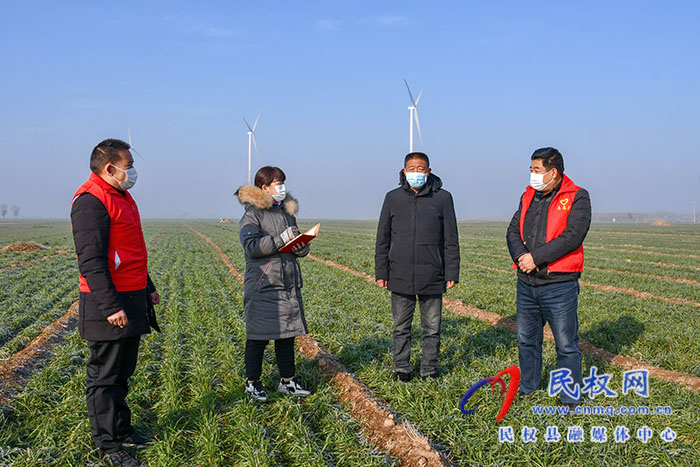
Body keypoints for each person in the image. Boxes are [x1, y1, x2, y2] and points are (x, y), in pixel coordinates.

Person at [71, 139, 160, 467]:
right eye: (129, 164)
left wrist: (148, 287)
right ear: (110, 168)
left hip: (132, 296)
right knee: (104, 377)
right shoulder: (90, 201)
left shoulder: (121, 195)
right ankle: (107, 445)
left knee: (122, 372)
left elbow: (130, 250)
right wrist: (110, 307)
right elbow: (91, 261)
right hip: (108, 304)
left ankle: (122, 431)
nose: (132, 171)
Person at [506, 147, 591, 408]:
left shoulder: (577, 197)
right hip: (527, 282)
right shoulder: (528, 195)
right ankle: (529, 386)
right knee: (526, 340)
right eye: (531, 170)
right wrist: (522, 256)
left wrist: (536, 258)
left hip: (559, 285)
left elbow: (571, 237)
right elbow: (512, 231)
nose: (532, 175)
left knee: (565, 344)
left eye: (537, 170)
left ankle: (570, 398)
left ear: (553, 172)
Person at [375, 152, 460, 381]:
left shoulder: (443, 198)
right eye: (411, 168)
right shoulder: (392, 198)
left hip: (433, 274)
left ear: (429, 171)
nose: (416, 172)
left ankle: (429, 370)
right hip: (400, 273)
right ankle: (402, 368)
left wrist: (451, 271)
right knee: (401, 327)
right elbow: (382, 238)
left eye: (420, 169)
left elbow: (450, 239)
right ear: (404, 171)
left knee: (431, 328)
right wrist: (381, 272)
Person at [236, 166, 311, 402]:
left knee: (286, 336)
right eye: (277, 183)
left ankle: (287, 381)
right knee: (258, 337)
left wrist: (301, 246)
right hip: (263, 284)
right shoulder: (252, 215)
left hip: (287, 282)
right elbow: (252, 248)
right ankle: (252, 383)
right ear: (263, 187)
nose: (282, 188)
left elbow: (293, 243)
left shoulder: (287, 212)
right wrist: (282, 239)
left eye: (283, 182)